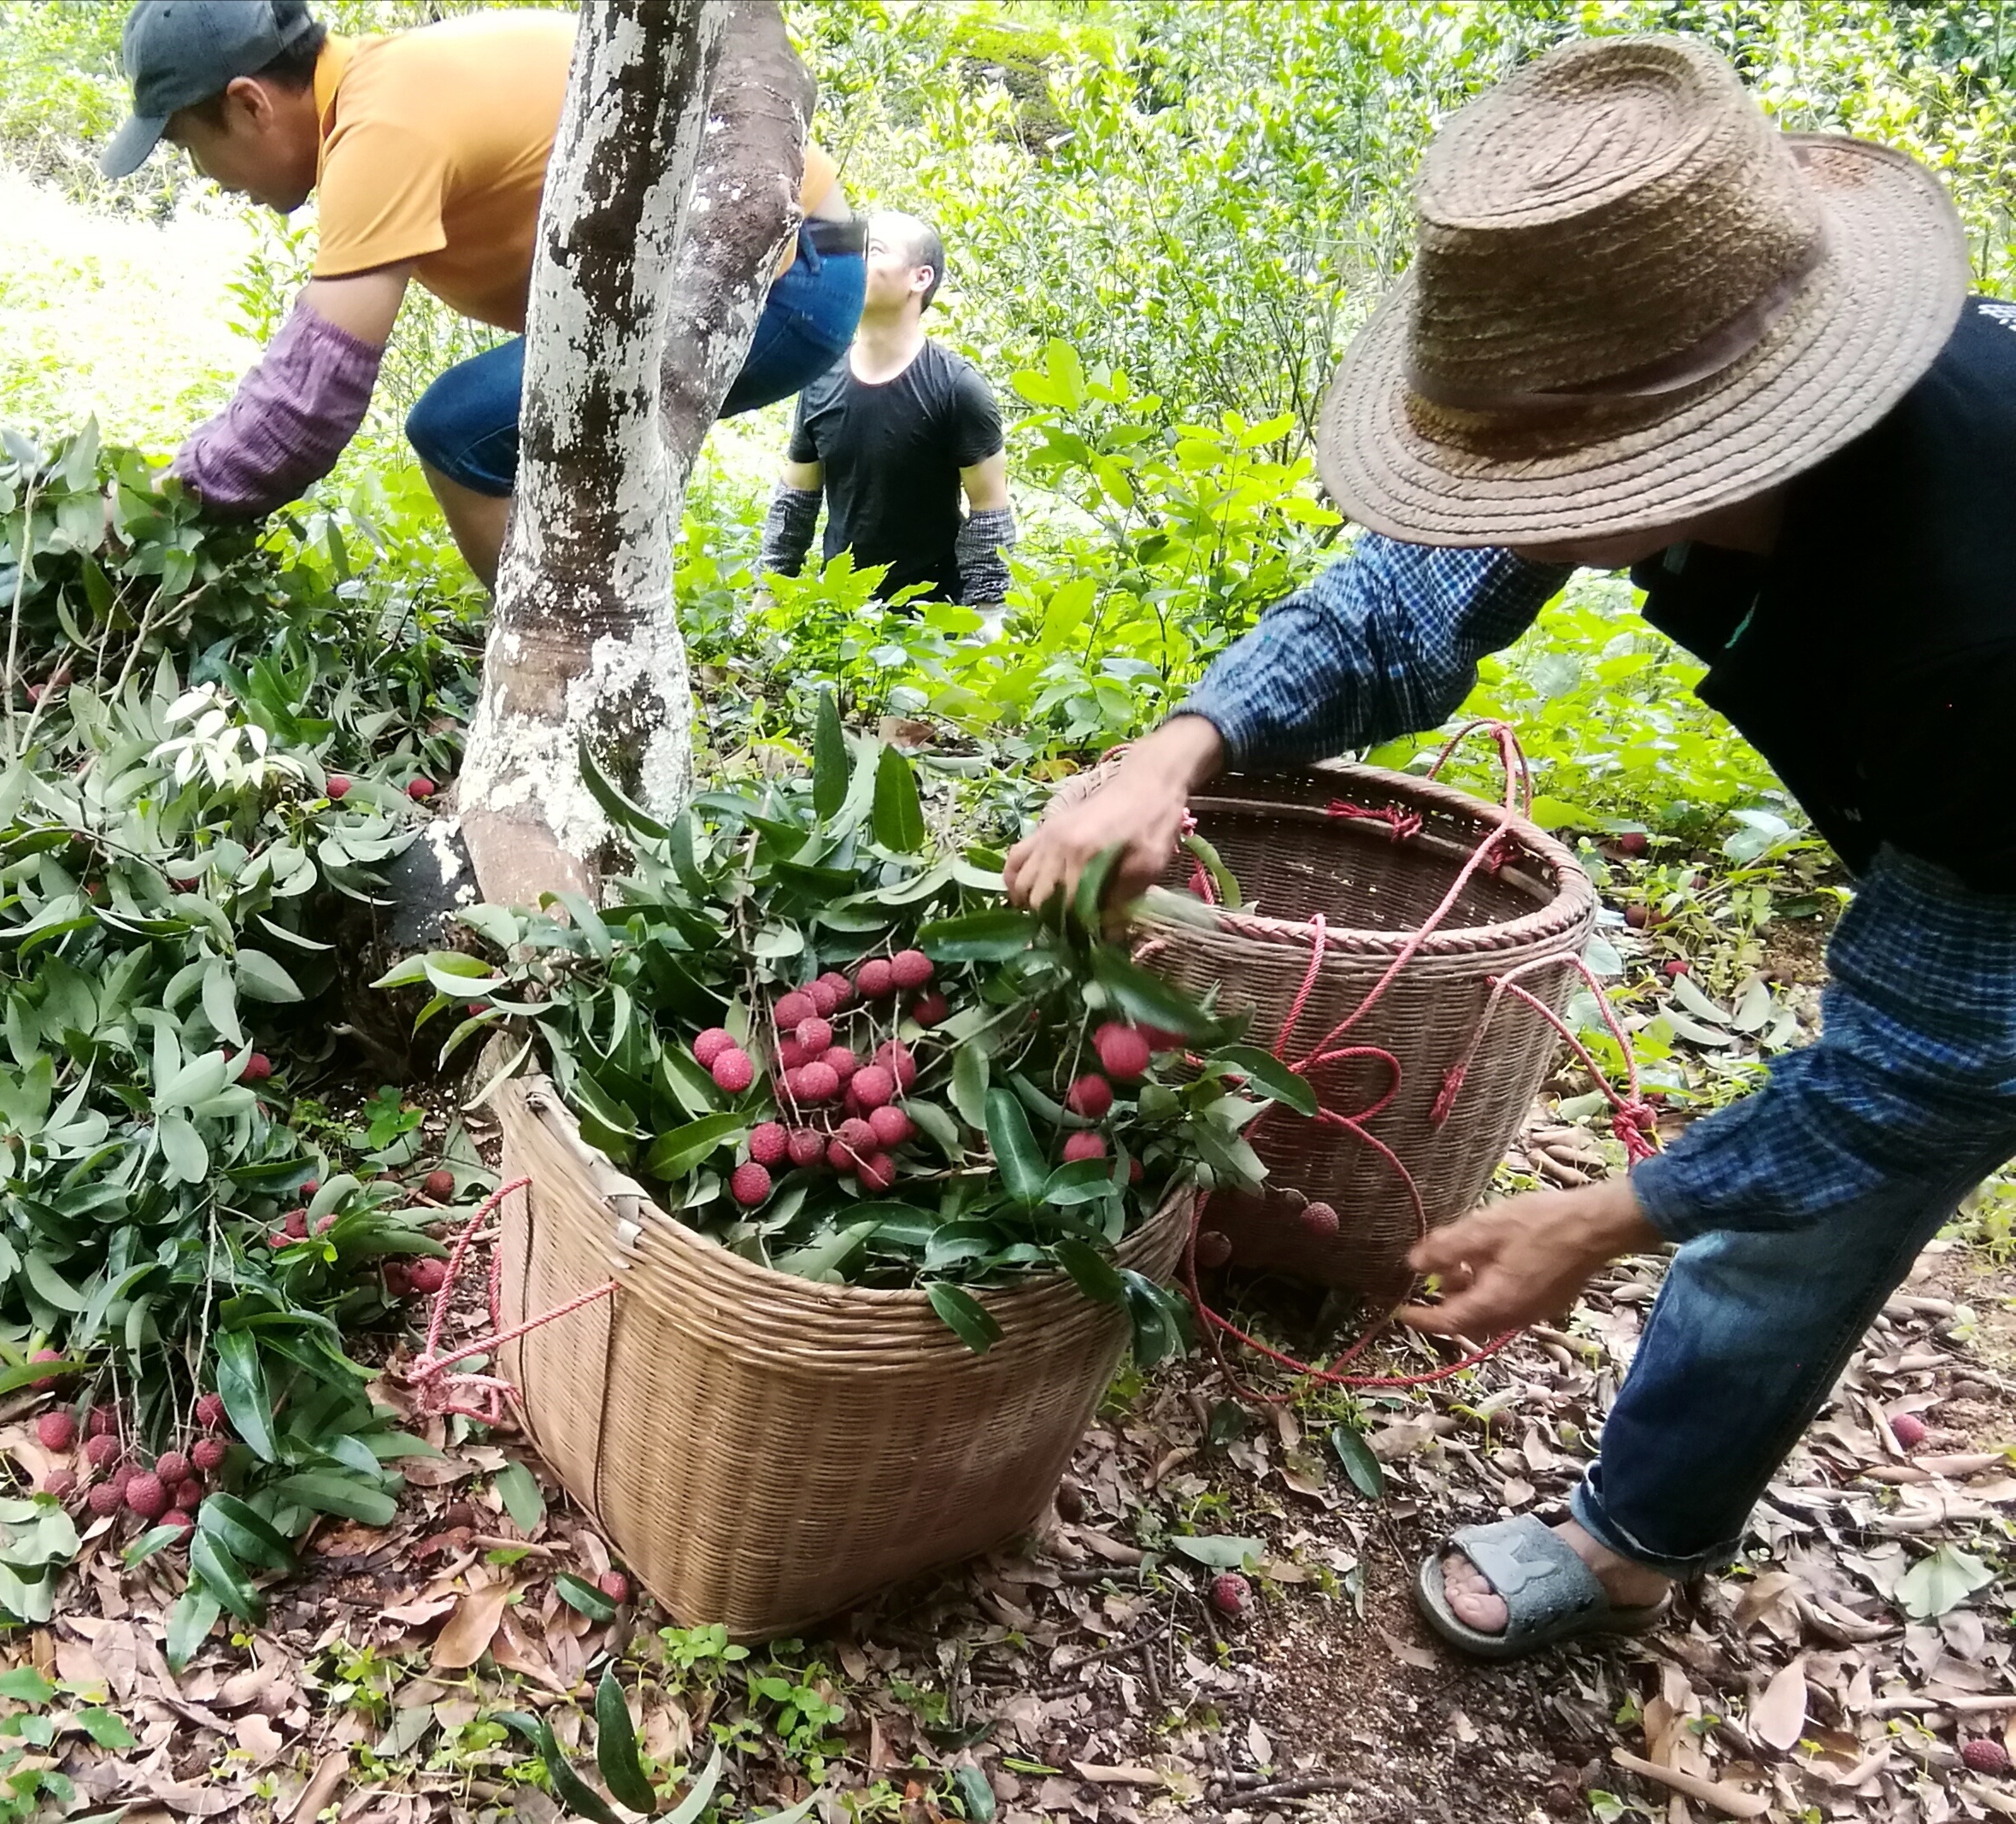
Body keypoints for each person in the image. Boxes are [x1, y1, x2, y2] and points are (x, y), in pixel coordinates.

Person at [1005, 33, 2014, 1660]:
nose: (1496, 509)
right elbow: (1408, 592)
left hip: (1992, 837)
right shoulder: (1692, 348)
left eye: (1537, 477)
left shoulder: (1970, 619)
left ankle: (1632, 1539)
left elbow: (1935, 1062)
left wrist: (1606, 1215)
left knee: (1795, 1218)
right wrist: (1175, 747)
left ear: (1706, 445)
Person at [99, 0, 864, 587]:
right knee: (524, 427)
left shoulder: (383, 126)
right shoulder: (386, 86)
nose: (206, 177)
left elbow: (307, 404)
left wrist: (152, 505)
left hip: (784, 277)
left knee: (458, 430)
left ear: (249, 104)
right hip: (783, 255)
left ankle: (564, 669)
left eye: (188, 146)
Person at [760, 213, 1015, 614]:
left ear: (920, 278)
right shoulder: (819, 375)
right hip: (839, 619)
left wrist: (984, 620)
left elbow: (989, 514)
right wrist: (768, 596)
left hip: (933, 627)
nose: (856, 262)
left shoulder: (959, 389)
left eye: (874, 250)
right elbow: (795, 501)